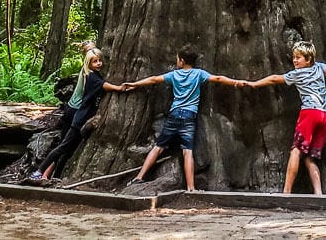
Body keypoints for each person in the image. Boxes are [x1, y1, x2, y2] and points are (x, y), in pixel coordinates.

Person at [245, 39, 326, 195]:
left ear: (309, 59)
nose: (294, 60)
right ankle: (318, 194)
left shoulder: (297, 74)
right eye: (294, 57)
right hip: (324, 115)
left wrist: (254, 84)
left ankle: (286, 192)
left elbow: (274, 79)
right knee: (310, 158)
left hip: (309, 114)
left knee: (296, 151)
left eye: (298, 57)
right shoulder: (320, 68)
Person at [125, 44, 244, 191]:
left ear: (181, 60)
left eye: (177, 59)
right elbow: (218, 78)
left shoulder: (175, 75)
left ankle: (139, 177)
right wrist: (236, 82)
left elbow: (154, 79)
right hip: (189, 116)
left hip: (174, 114)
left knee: (158, 147)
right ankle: (191, 188)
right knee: (187, 151)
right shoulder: (199, 74)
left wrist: (135, 84)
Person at [30, 47, 125, 182]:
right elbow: (104, 85)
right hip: (80, 118)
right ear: (88, 64)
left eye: (99, 61)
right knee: (63, 146)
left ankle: (56, 177)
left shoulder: (96, 75)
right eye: (95, 62)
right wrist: (118, 88)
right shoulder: (91, 76)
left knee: (68, 151)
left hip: (85, 118)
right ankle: (39, 172)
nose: (98, 63)